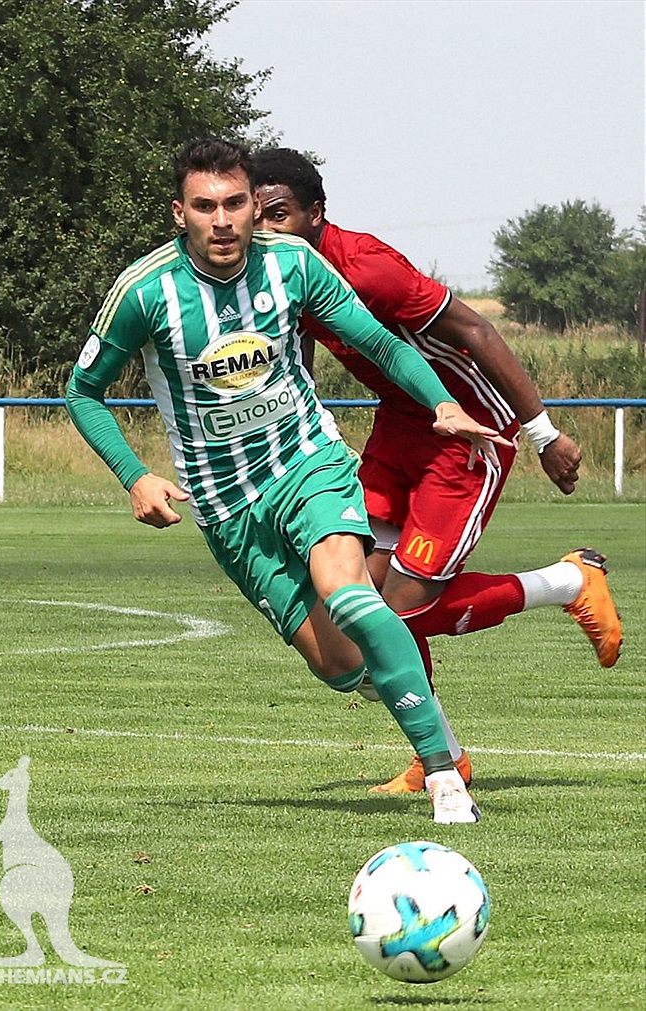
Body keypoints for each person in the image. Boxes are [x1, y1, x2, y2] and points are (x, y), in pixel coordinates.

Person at [66, 137, 516, 823]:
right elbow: (84, 391)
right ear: (178, 213)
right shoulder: (143, 291)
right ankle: (425, 713)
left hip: (308, 463)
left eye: (236, 203)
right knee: (339, 667)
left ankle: (444, 778)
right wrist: (135, 475)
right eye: (205, 206)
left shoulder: (294, 264)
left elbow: (381, 342)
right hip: (225, 503)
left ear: (253, 205)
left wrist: (443, 403)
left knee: (349, 591)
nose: (222, 220)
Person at [252, 147, 622, 794]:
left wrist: (544, 434)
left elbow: (476, 331)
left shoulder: (369, 270)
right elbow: (297, 353)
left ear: (317, 213)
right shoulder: (280, 272)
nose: (266, 231)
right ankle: (441, 756)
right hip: (399, 426)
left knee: (399, 613)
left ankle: (568, 581)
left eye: (279, 215)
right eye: (257, 217)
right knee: (355, 605)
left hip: (466, 432)